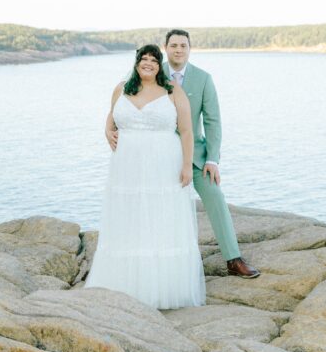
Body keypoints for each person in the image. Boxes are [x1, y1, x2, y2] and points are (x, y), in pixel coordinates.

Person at [85, 44, 206, 309]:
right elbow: (111, 117)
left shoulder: (173, 91)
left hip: (163, 165)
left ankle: (160, 286)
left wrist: (187, 165)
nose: (148, 63)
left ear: (159, 64)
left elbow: (187, 131)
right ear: (137, 63)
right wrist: (107, 131)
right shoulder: (121, 88)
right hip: (126, 168)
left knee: (160, 217)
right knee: (129, 218)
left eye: (153, 59)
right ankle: (124, 284)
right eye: (144, 59)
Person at [161, 29, 260, 278]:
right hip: (160, 156)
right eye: (173, 45)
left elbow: (213, 121)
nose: (178, 50)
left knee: (215, 196)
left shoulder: (203, 79)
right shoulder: (151, 73)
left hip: (196, 157)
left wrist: (213, 159)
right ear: (165, 48)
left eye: (183, 45)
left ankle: (233, 259)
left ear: (190, 48)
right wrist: (113, 128)